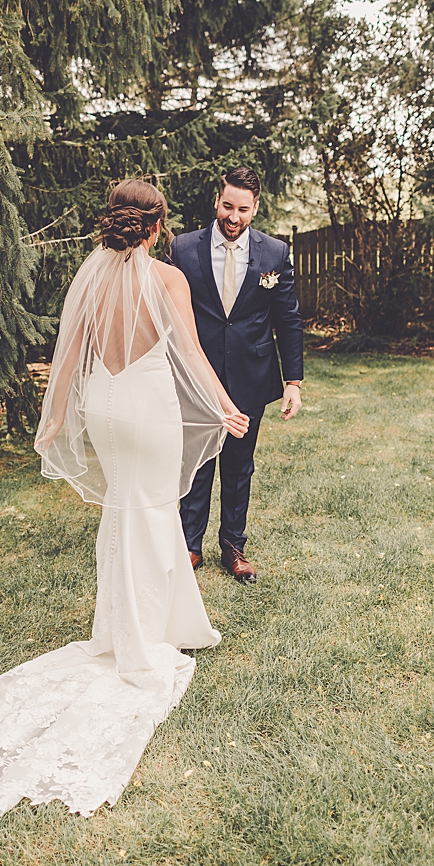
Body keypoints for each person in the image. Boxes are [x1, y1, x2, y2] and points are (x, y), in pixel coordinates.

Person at [0, 179, 250, 820]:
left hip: (103, 408)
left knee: (125, 512)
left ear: (113, 223)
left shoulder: (90, 275)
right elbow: (188, 352)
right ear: (159, 226)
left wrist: (54, 420)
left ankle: (155, 625)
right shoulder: (168, 281)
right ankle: (139, 642)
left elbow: (70, 354)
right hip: (147, 407)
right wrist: (225, 406)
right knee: (154, 508)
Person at [168, 166, 304, 583]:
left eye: (243, 209)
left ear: (255, 208)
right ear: (217, 201)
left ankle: (233, 546)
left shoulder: (275, 254)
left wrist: (293, 381)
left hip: (251, 373)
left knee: (239, 464)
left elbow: (289, 319)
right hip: (196, 377)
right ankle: (190, 545)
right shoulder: (182, 248)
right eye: (228, 206)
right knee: (196, 462)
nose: (234, 216)